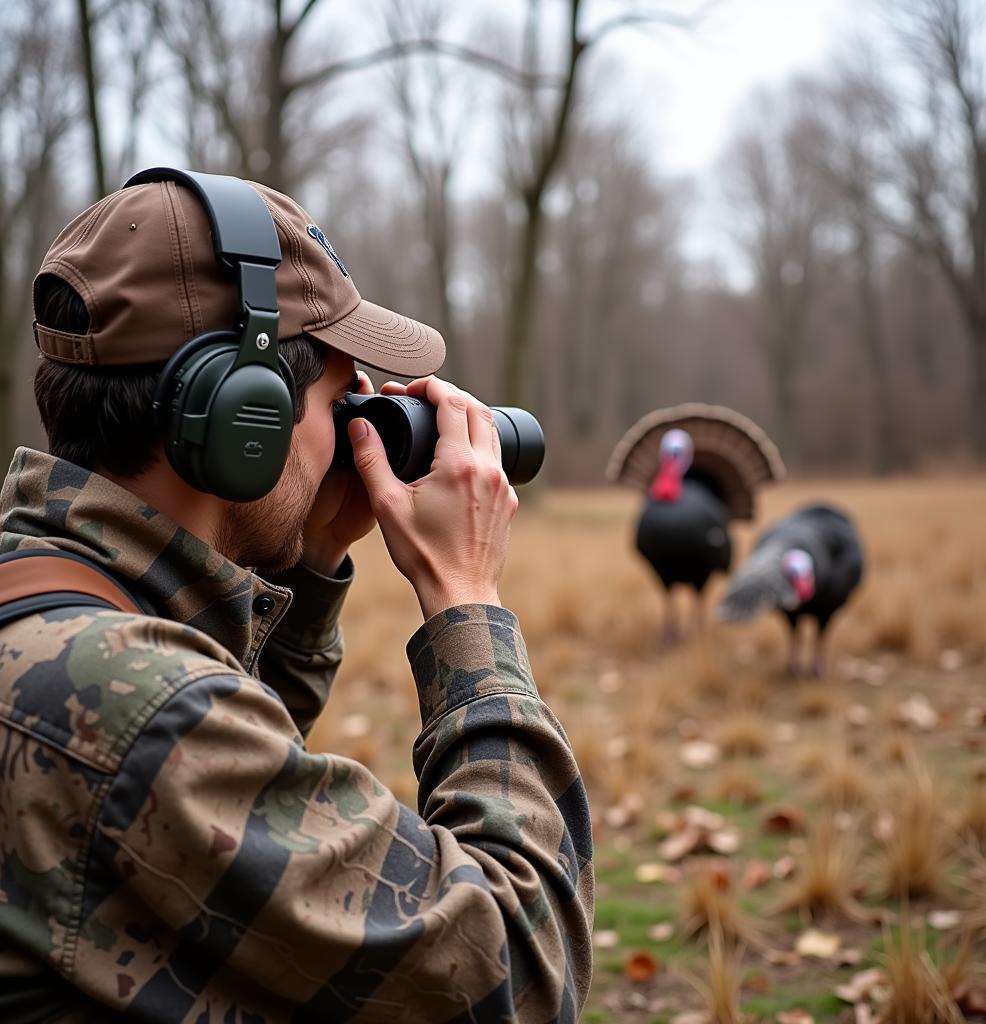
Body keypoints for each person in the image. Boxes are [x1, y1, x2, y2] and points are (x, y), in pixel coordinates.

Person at [0, 172, 593, 1022]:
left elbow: (205, 831)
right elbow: (515, 972)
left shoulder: (52, 610)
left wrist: (309, 559)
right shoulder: (131, 708)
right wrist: (465, 602)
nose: (351, 431)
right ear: (246, 419)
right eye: (336, 400)